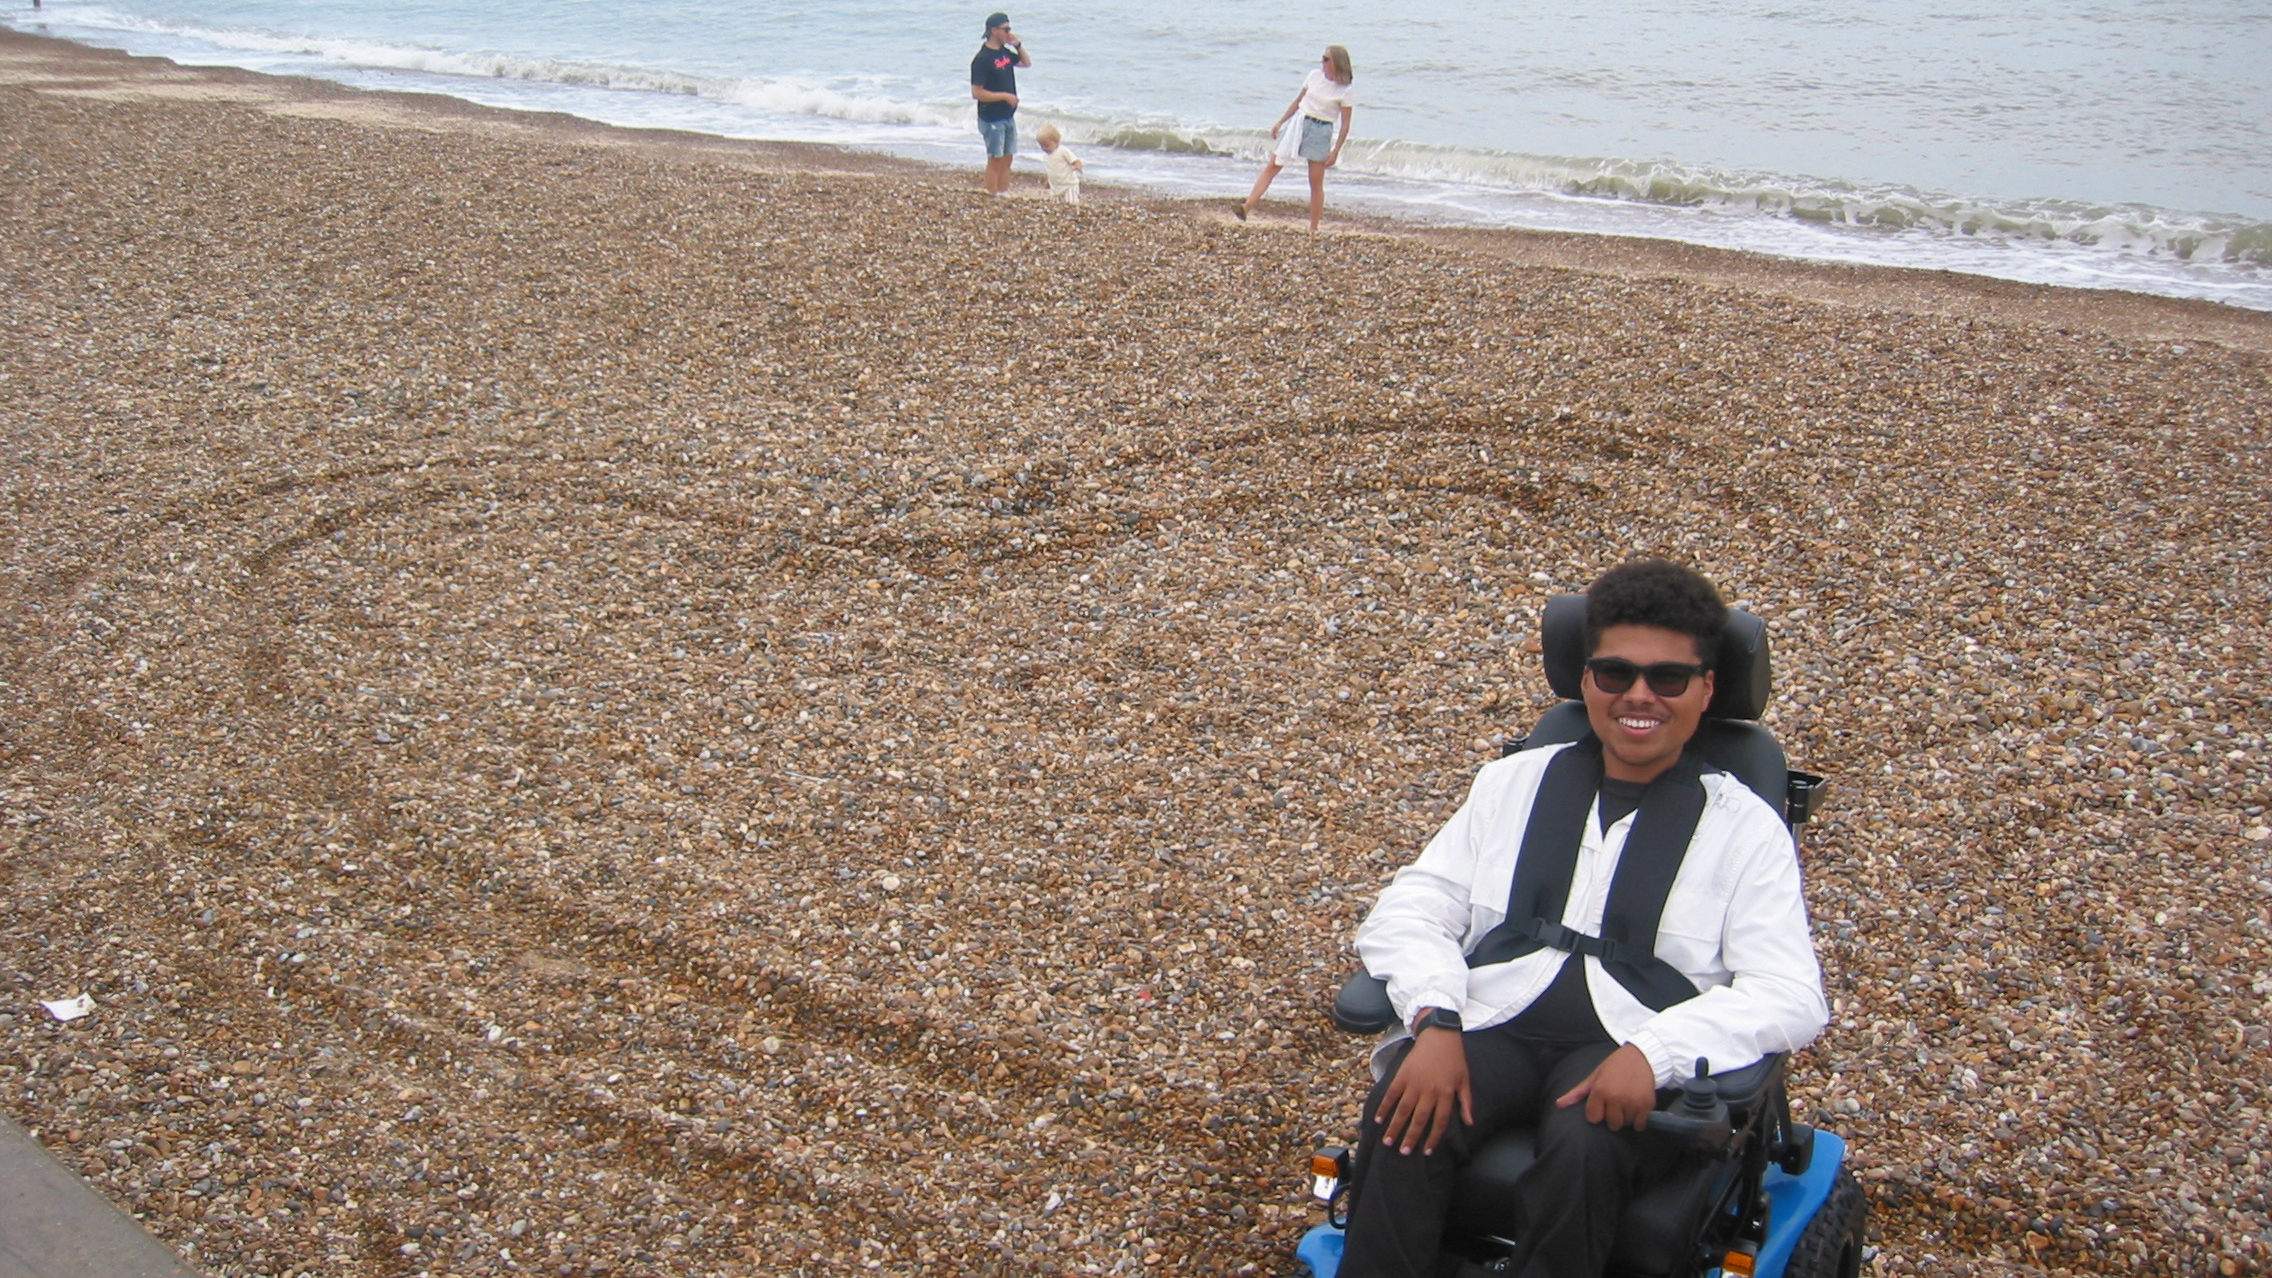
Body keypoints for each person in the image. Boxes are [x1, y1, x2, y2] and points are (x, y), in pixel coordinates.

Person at [1338, 559, 1828, 1278]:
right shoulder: (1513, 784)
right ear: (1587, 678)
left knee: (1588, 1138)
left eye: (1668, 678)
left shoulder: (1746, 829)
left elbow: (1790, 994)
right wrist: (1435, 1018)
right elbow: (1412, 907)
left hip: (1633, 1038)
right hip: (1499, 1018)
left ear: (1707, 689)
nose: (1640, 696)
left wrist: (1653, 1055)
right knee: (1407, 1107)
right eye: (1615, 673)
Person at [1236, 45, 1355, 231]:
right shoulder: (1314, 76)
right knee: (1273, 165)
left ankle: (1313, 228)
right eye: (1322, 58)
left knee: (1315, 181)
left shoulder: (1345, 90)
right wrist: (1280, 122)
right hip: (1299, 123)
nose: (1322, 62)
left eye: (1326, 59)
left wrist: (1336, 150)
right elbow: (1298, 101)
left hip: (1320, 129)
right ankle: (1246, 207)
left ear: (1336, 62)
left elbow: (1345, 125)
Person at [970, 12, 1032, 196]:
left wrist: (1018, 45)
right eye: (1006, 29)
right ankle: (992, 194)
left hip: (1007, 115)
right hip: (991, 118)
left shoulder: (1004, 52)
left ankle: (1003, 192)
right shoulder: (982, 59)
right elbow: (977, 92)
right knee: (995, 159)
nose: (1008, 33)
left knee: (1007, 158)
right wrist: (1004, 96)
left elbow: (1026, 62)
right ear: (994, 30)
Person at [1036, 123, 1084, 205]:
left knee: (1071, 204)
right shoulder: (1046, 157)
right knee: (1056, 206)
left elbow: (1075, 160)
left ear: (1056, 142)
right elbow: (1052, 170)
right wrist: (1048, 181)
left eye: (1047, 146)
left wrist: (1077, 166)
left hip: (1069, 185)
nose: (1044, 148)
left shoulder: (1063, 151)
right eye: (1042, 146)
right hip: (1056, 188)